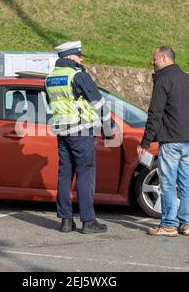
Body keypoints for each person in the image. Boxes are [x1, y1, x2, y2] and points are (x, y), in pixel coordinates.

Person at [45, 41, 112, 234]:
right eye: (78, 55)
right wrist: (108, 129)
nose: (81, 58)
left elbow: (53, 105)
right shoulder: (78, 75)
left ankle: (66, 221)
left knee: (64, 176)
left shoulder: (50, 78)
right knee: (85, 175)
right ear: (69, 57)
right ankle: (88, 221)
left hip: (62, 133)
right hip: (81, 132)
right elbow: (99, 104)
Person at [137, 46, 189, 237]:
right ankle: (187, 223)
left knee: (167, 182)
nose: (153, 62)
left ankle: (168, 225)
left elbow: (155, 114)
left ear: (164, 58)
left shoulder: (163, 80)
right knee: (186, 182)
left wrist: (145, 142)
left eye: (155, 59)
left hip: (171, 141)